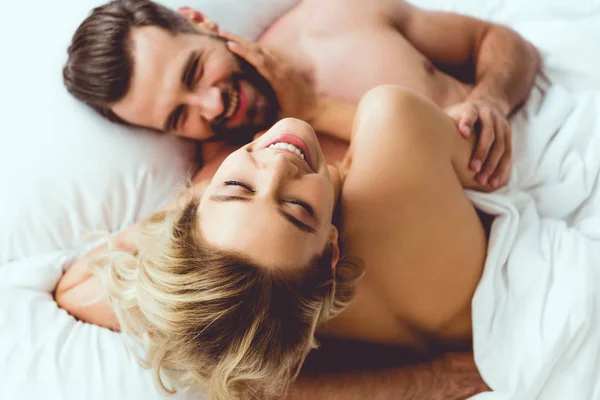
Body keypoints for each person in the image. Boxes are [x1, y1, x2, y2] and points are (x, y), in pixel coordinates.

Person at [56, 82, 493, 400]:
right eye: (297, 210)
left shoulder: (273, 329)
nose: (279, 166)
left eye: (236, 188)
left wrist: (186, 229)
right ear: (332, 253)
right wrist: (207, 204)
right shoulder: (390, 126)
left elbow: (74, 289)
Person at [63, 0, 540, 189]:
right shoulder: (243, 186)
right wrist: (311, 111)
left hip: (550, 136)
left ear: (198, 22)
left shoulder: (334, 17)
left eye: (194, 72)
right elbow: (446, 160)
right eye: (177, 118)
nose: (211, 106)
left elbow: (497, 42)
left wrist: (491, 99)